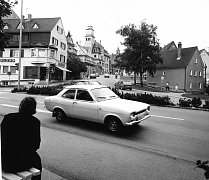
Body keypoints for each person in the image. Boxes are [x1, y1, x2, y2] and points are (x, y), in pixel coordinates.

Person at [1, 97, 42, 180]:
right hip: (23, 163)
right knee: (38, 163)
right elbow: (36, 145)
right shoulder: (35, 122)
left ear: (20, 106)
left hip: (6, 162)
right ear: (33, 109)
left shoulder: (8, 118)